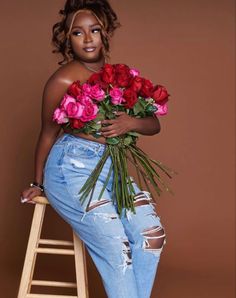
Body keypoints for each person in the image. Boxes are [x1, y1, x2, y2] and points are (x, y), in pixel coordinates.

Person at [21, 1, 167, 297]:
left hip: (111, 170)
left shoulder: (120, 78)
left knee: (151, 236)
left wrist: (129, 123)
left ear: (105, 34)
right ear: (68, 39)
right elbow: (47, 134)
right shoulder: (61, 80)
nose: (87, 39)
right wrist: (37, 183)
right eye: (78, 33)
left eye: (94, 30)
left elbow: (154, 124)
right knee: (116, 245)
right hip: (69, 170)